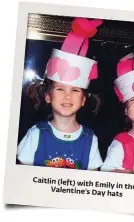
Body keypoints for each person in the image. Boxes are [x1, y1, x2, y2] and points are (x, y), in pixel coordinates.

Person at [17, 17, 103, 170]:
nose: (67, 95)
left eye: (75, 90)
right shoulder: (36, 133)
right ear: (48, 96)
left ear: (83, 99)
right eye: (60, 88)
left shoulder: (90, 140)